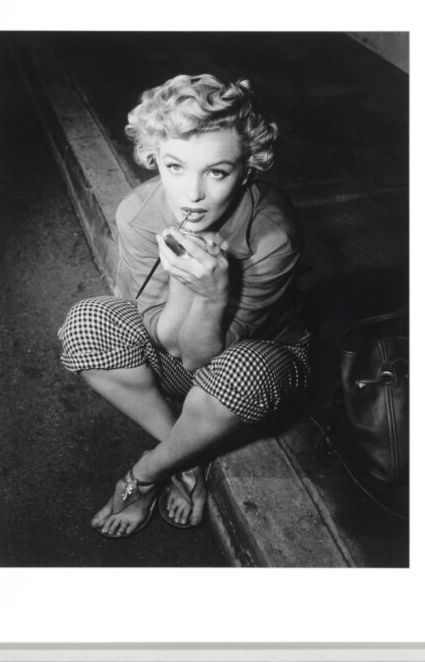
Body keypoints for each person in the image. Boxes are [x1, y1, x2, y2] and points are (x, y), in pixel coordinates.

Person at [58, 73, 311, 538]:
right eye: (175, 167)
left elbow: (199, 360)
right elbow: (168, 343)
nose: (192, 195)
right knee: (86, 323)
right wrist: (182, 282)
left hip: (246, 361)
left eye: (217, 172)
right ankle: (186, 454)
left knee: (246, 372)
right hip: (177, 353)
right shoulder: (138, 213)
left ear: (246, 170)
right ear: (154, 157)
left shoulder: (272, 236)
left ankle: (150, 470)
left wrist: (212, 293)